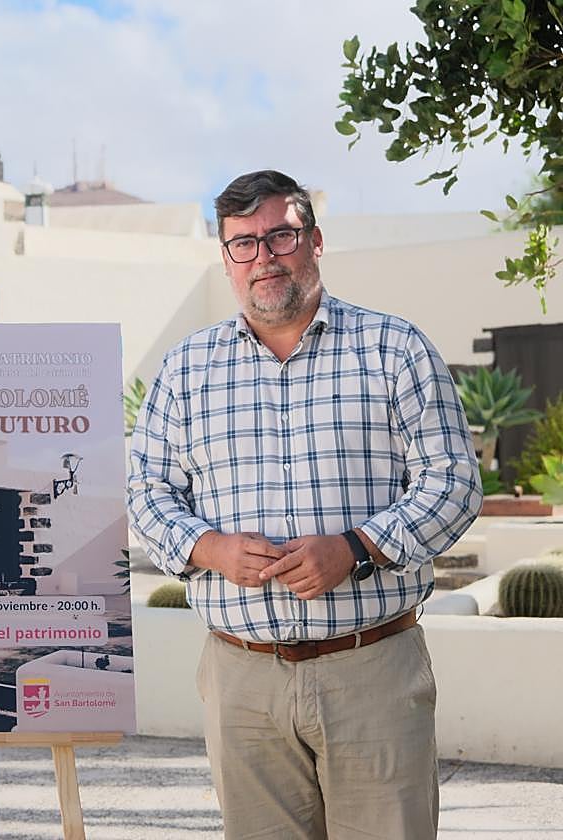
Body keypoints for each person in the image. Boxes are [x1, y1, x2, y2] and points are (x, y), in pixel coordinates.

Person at [128, 170, 481, 839]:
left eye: (280, 235)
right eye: (243, 243)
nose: (263, 256)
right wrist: (210, 548)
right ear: (226, 259)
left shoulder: (395, 349)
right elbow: (146, 493)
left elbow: (455, 484)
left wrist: (355, 547)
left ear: (314, 241)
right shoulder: (185, 371)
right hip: (241, 682)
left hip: (371, 670)